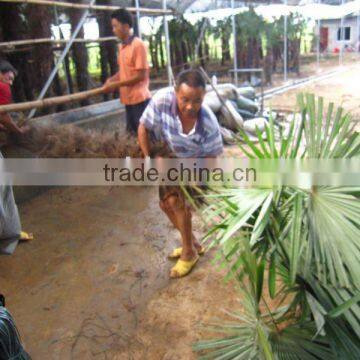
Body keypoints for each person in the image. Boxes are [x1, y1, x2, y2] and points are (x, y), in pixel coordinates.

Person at [138, 69, 223, 278]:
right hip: (171, 156)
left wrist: (195, 178)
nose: (190, 107)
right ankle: (193, 243)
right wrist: (149, 158)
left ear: (204, 98)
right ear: (175, 92)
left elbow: (212, 160)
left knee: (178, 203)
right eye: (185, 99)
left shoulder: (208, 123)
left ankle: (188, 253)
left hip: (198, 163)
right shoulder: (161, 101)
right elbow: (143, 127)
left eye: (197, 101)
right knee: (165, 204)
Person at [0, 60, 33, 255]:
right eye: (9, 78)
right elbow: (3, 116)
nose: (10, 83)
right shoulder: (2, 87)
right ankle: (9, 233)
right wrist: (18, 131)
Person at [103, 8, 151, 135]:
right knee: (132, 134)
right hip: (128, 98)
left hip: (139, 99)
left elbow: (141, 75)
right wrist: (112, 80)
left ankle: (148, 155)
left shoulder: (138, 45)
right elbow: (125, 72)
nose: (113, 30)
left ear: (125, 26)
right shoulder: (122, 47)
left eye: (115, 26)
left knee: (143, 134)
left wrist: (116, 85)